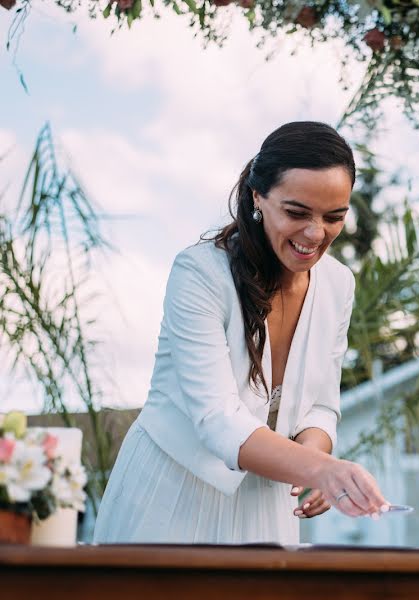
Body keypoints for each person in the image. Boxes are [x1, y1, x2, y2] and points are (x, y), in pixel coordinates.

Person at [94, 122, 388, 544]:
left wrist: (316, 462)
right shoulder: (199, 274)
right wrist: (319, 468)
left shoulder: (339, 284)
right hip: (170, 496)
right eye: (297, 212)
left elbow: (321, 406)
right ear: (257, 197)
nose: (315, 233)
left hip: (266, 509)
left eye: (334, 217)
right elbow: (217, 420)